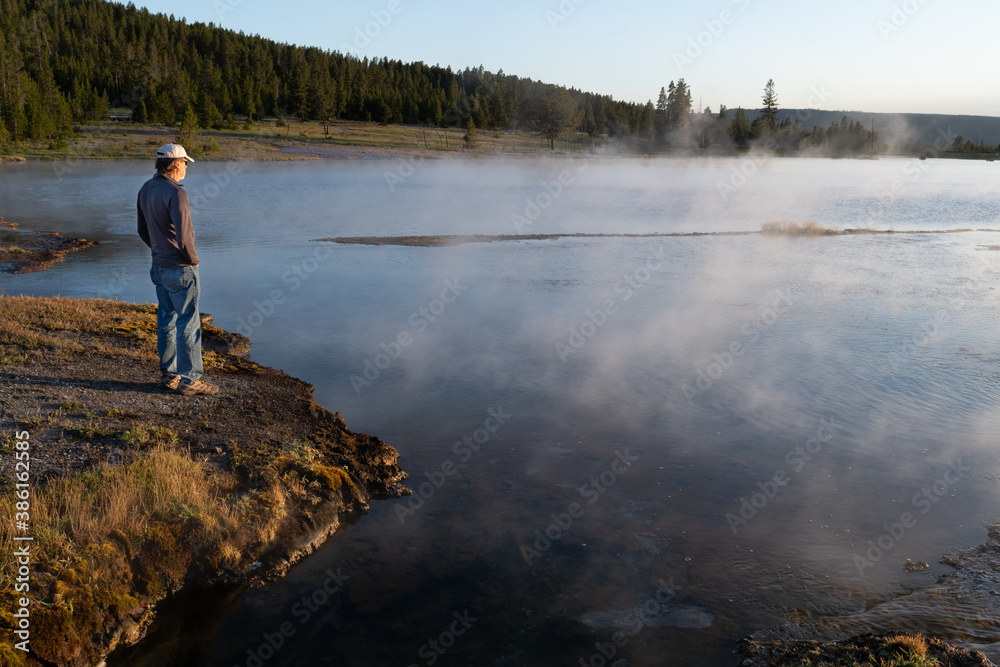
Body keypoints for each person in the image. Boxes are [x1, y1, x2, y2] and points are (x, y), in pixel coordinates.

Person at [137, 143, 219, 396]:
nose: (186, 167)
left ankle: (169, 376)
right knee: (188, 323)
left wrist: (158, 250)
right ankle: (190, 380)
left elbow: (142, 230)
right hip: (179, 267)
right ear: (174, 164)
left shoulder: (145, 188)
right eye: (184, 162)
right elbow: (184, 238)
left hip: (158, 265)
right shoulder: (177, 193)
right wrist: (193, 259)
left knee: (166, 321)